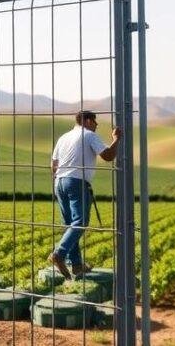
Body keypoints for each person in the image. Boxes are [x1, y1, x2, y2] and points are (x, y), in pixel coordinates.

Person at [48, 110, 121, 278]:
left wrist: (60, 181)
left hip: (59, 181)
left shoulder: (63, 137)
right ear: (87, 121)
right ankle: (59, 253)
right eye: (94, 122)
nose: (96, 125)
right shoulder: (88, 135)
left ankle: (77, 265)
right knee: (80, 222)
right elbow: (108, 156)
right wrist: (116, 139)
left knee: (70, 225)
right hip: (76, 181)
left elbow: (53, 164)